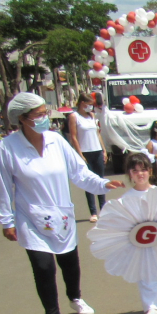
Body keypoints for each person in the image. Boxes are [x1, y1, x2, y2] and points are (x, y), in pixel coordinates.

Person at [0, 92, 125, 314]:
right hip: (30, 216)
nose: (45, 118)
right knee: (43, 267)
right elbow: (3, 187)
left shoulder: (56, 141)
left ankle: (75, 296)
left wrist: (102, 184)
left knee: (69, 263)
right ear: (23, 118)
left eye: (45, 113)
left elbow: (79, 172)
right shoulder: (9, 148)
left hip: (61, 215)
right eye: (39, 115)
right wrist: (6, 221)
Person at [116, 152, 157, 314]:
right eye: (135, 171)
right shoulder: (125, 199)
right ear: (129, 174)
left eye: (143, 170)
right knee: (146, 273)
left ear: (150, 171)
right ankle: (151, 307)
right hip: (139, 244)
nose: (139, 174)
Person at [67, 93, 108, 222]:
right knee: (89, 182)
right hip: (85, 152)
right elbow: (73, 136)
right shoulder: (74, 117)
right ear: (82, 103)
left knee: (100, 181)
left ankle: (104, 209)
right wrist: (80, 154)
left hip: (97, 151)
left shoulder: (92, 116)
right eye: (89, 104)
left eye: (92, 105)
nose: (91, 107)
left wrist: (104, 150)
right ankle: (93, 212)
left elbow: (98, 134)